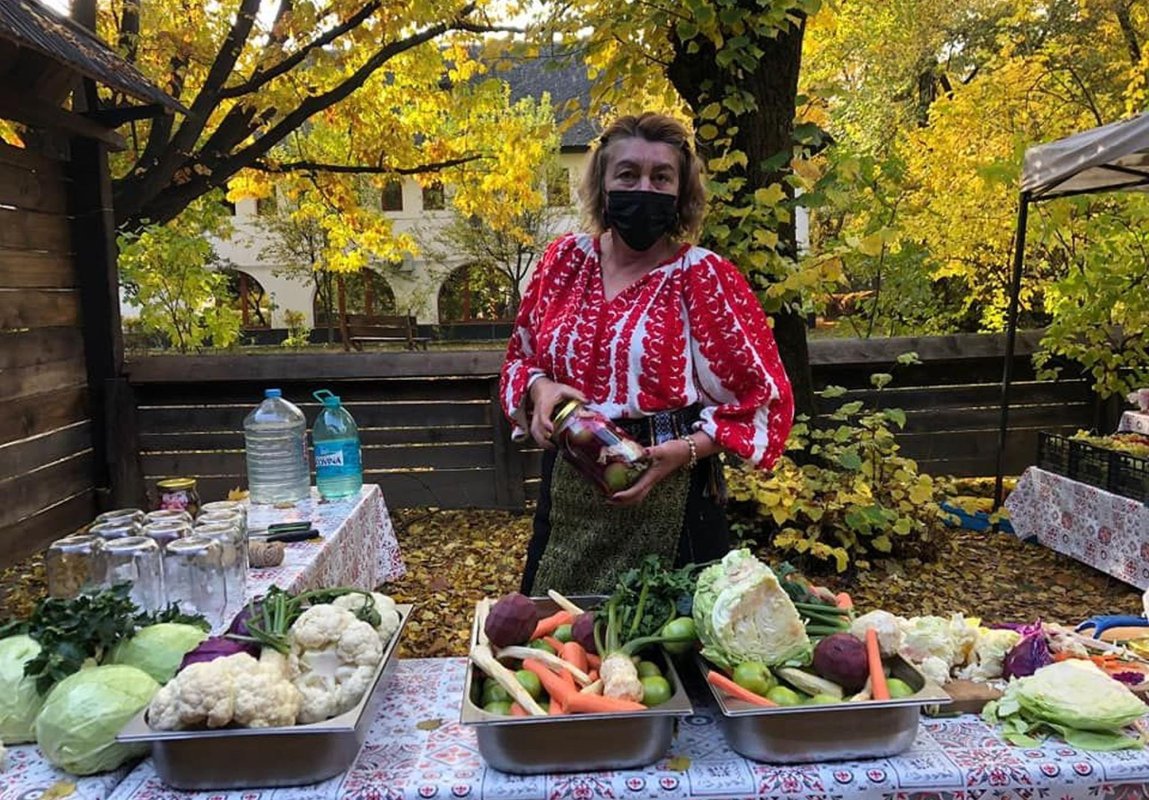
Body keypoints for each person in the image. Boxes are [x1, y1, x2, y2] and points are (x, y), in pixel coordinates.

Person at [499, 112, 794, 595]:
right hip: (570, 487)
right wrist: (540, 386)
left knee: (674, 645)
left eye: (662, 177)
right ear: (603, 183)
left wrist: (682, 452)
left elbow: (764, 396)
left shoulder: (705, 278)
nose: (644, 188)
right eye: (628, 174)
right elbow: (520, 356)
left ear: (681, 193)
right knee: (555, 635)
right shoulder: (563, 262)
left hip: (674, 486)